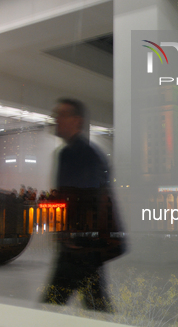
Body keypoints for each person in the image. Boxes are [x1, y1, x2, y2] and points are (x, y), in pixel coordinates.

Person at [41, 98, 122, 312]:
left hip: (79, 248)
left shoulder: (78, 154)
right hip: (81, 247)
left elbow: (91, 199)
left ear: (76, 121)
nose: (56, 119)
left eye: (61, 114)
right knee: (95, 303)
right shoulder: (78, 153)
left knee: (51, 306)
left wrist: (76, 236)